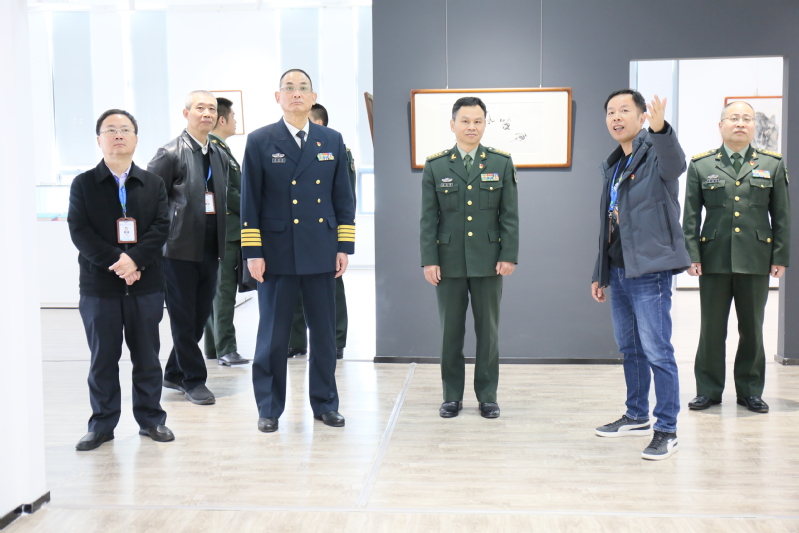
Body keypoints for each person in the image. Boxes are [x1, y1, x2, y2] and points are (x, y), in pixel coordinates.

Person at [241, 69, 355, 433]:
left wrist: (344, 245)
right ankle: (269, 408)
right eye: (288, 88)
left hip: (321, 249)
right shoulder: (261, 140)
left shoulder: (331, 139)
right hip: (276, 252)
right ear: (278, 97)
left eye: (303, 88)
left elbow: (343, 196)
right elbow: (249, 201)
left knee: (323, 336)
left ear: (313, 97)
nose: (296, 93)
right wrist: (253, 251)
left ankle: (326, 404)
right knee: (273, 337)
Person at [591, 89, 690, 461]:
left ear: (642, 116)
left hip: (650, 269)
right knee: (630, 348)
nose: (616, 117)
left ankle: (667, 429)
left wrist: (662, 129)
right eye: (610, 111)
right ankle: (636, 415)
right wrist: (599, 272)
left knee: (657, 351)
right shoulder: (615, 163)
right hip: (619, 269)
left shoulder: (655, 153)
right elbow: (609, 224)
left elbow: (675, 163)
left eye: (624, 110)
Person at [68, 109, 174, 451]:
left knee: (147, 358)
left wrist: (135, 260)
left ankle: (151, 420)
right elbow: (80, 231)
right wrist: (120, 263)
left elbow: (161, 227)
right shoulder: (84, 184)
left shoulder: (153, 183)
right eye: (110, 130)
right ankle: (101, 425)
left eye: (125, 129)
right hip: (99, 287)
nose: (118, 135)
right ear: (99, 140)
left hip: (146, 285)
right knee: (103, 359)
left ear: (135, 139)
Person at [683, 101, 791, 414]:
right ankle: (708, 390)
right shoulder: (702, 165)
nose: (740, 123)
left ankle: (750, 391)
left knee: (753, 329)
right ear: (721, 126)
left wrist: (780, 256)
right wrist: (692, 254)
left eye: (747, 118)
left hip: (756, 258)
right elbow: (691, 216)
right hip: (713, 258)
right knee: (711, 329)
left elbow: (782, 215)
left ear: (754, 126)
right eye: (734, 118)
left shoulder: (772, 164)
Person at [419, 96, 519, 420]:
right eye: (465, 121)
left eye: (477, 121)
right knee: (450, 333)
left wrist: (508, 254)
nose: (471, 126)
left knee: (488, 332)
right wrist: (429, 259)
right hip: (447, 263)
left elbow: (509, 216)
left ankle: (487, 396)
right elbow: (428, 219)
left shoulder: (501, 163)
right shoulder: (436, 166)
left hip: (489, 261)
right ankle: (451, 396)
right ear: (453, 125)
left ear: (485, 124)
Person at [148, 91, 228, 405]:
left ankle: (173, 372)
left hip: (210, 248)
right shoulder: (169, 153)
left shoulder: (218, 153)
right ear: (186, 113)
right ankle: (194, 380)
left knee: (198, 317)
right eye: (200, 108)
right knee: (183, 319)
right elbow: (148, 200)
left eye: (211, 109)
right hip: (177, 250)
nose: (207, 113)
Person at [288, 103, 357, 360]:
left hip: (324, 232)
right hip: (294, 230)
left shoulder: (336, 149)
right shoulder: (286, 147)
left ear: (319, 124)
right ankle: (295, 342)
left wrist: (343, 241)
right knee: (293, 289)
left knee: (332, 289)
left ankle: (335, 340)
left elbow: (345, 198)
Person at [203, 97, 249, 367]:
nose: (235, 121)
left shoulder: (218, 149)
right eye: (233, 117)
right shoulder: (215, 149)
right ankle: (226, 349)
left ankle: (213, 346)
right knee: (224, 292)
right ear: (223, 120)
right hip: (226, 233)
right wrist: (251, 210)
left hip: (223, 231)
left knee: (216, 291)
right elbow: (228, 192)